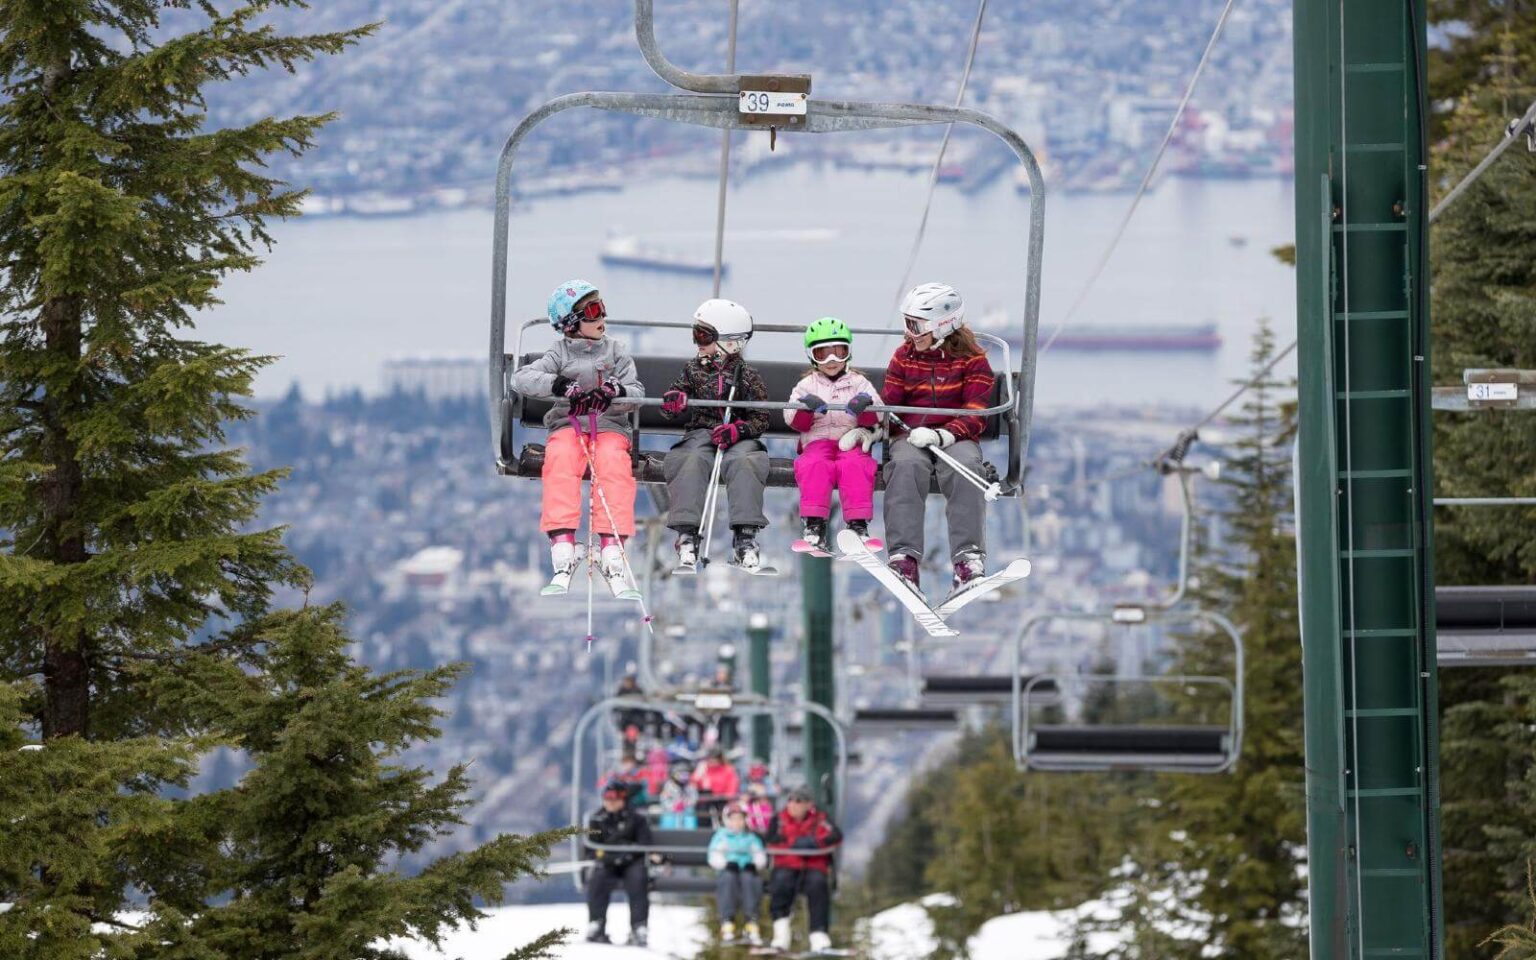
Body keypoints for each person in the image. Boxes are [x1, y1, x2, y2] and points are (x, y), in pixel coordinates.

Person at [511, 279, 644, 597]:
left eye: (602, 308)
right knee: (560, 459)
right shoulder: (559, 353)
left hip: (609, 427)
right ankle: (563, 546)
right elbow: (522, 378)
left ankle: (611, 548)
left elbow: (636, 393)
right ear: (571, 323)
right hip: (568, 426)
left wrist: (614, 392)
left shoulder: (615, 351)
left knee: (612, 463)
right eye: (594, 311)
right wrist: (557, 385)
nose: (602, 317)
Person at [879, 282, 996, 593]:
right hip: (912, 436)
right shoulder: (904, 357)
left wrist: (944, 435)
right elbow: (890, 404)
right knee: (905, 466)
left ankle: (968, 560)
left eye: (916, 325)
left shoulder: (973, 361)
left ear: (942, 325)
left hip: (956, 436)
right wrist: (872, 420)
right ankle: (904, 559)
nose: (910, 333)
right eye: (907, 323)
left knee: (965, 467)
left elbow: (976, 412)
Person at [660, 298, 772, 571]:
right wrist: (673, 403)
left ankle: (745, 536)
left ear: (729, 342)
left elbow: (761, 418)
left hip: (739, 437)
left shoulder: (748, 376)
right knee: (690, 458)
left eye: (704, 336)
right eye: (695, 334)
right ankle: (687, 534)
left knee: (745, 462)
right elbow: (673, 400)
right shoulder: (692, 370)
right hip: (702, 432)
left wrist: (739, 429)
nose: (697, 342)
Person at [785, 317, 882, 551]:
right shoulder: (806, 385)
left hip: (850, 440)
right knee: (813, 465)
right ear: (812, 356)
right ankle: (814, 526)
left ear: (848, 353)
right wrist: (806, 408)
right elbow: (792, 419)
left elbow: (879, 413)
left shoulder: (859, 382)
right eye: (822, 354)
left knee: (856, 465)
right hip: (817, 441)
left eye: (838, 352)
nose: (831, 361)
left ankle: (858, 525)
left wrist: (865, 406)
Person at [765, 785, 842, 954]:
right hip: (786, 864)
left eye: (799, 801)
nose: (793, 805)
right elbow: (771, 840)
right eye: (791, 801)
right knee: (781, 884)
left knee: (818, 885)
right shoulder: (779, 819)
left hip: (813, 865)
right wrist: (792, 843)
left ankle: (819, 935)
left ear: (808, 804)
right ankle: (781, 934)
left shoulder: (820, 819)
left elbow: (835, 836)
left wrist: (816, 843)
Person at [585, 780, 658, 946]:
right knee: (598, 878)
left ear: (623, 799)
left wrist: (625, 855)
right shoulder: (597, 819)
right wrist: (611, 857)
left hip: (632, 862)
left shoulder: (637, 819)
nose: (610, 802)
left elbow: (644, 844)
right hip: (607, 863)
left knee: (638, 879)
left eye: (614, 798)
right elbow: (591, 848)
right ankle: (596, 923)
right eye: (607, 798)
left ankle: (639, 927)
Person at [708, 803, 769, 944]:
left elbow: (759, 854)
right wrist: (725, 864)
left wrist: (754, 865)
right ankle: (727, 921)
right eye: (733, 819)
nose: (737, 822)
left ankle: (751, 921)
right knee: (728, 881)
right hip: (729, 870)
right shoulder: (722, 837)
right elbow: (714, 855)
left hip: (747, 870)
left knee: (751, 881)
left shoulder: (750, 837)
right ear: (727, 820)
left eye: (740, 819)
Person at [691, 746, 742, 824]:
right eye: (710, 759)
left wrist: (728, 797)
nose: (712, 761)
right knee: (702, 808)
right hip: (707, 798)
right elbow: (694, 782)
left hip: (722, 798)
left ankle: (723, 825)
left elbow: (732, 786)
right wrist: (699, 772)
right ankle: (704, 827)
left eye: (714, 759)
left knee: (724, 812)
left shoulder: (728, 769)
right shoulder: (704, 768)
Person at [659, 759, 700, 828]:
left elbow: (694, 798)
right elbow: (664, 799)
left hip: (686, 809)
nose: (684, 776)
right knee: (668, 817)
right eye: (682, 774)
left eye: (686, 774)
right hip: (671, 810)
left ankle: (690, 832)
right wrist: (673, 806)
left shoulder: (690, 786)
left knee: (690, 814)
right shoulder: (668, 786)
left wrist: (685, 804)